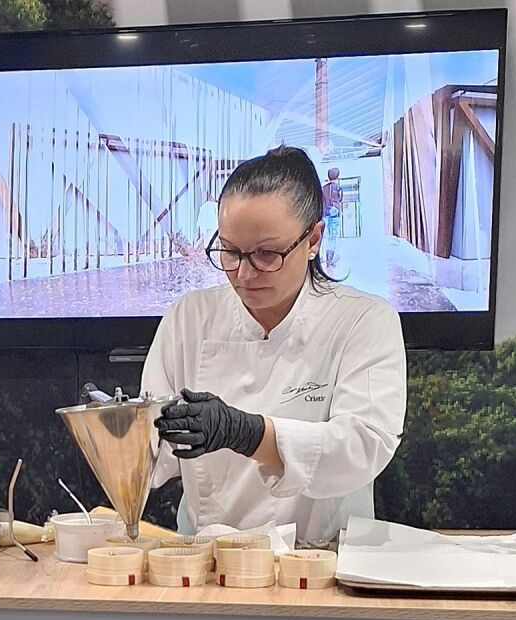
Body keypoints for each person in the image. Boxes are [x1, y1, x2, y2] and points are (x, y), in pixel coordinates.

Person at [141, 146, 405, 544]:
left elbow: (363, 446)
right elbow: (152, 453)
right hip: (208, 558)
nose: (244, 273)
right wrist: (117, 430)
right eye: (230, 251)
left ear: (313, 239)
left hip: (322, 558)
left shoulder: (364, 321)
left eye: (266, 254)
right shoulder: (188, 318)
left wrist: (245, 433)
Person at [321, 167, 343, 266]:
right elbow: (340, 199)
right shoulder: (337, 187)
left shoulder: (324, 188)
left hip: (325, 213)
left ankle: (323, 258)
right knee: (333, 237)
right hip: (334, 213)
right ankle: (330, 259)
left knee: (325, 236)